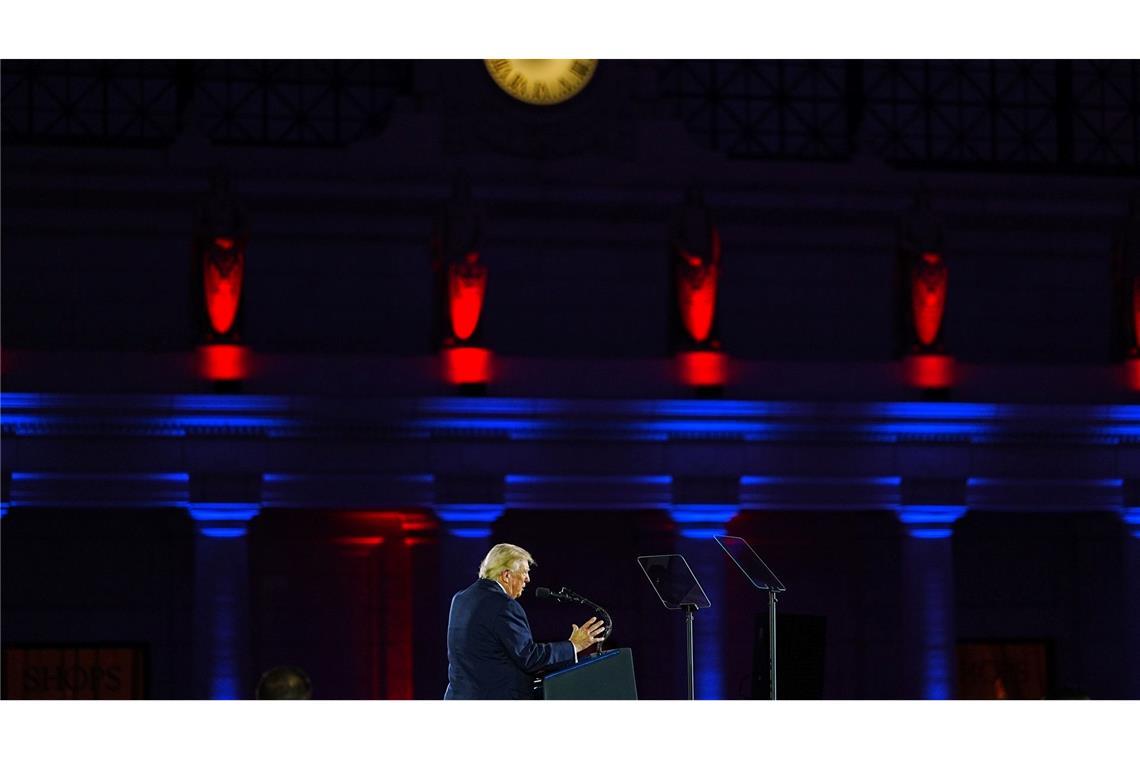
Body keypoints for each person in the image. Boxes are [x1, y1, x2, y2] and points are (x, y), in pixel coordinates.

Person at [444, 543, 606, 699]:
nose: (528, 579)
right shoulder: (503, 605)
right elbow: (528, 657)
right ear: (506, 575)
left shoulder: (460, 599)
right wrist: (574, 646)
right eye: (524, 572)